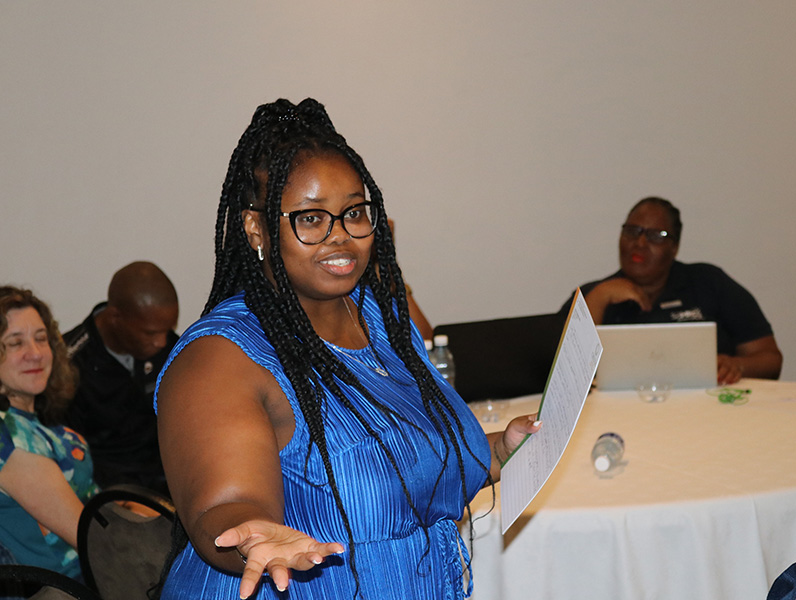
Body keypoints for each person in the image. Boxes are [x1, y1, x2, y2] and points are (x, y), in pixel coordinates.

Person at [153, 98, 540, 600]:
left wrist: (497, 451)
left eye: (353, 213)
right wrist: (253, 535)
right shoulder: (219, 359)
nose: (340, 237)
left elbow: (406, 465)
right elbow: (224, 507)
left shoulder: (380, 317)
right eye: (311, 219)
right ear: (256, 228)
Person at [561, 197, 782, 384]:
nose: (640, 243)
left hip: (706, 410)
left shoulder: (708, 282)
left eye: (656, 236)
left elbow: (770, 359)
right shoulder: (592, 295)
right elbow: (562, 378)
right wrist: (598, 299)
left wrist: (737, 365)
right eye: (632, 231)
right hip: (619, 414)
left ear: (674, 247)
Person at [0, 286, 98, 578]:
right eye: (15, 343)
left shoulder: (54, 431)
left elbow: (101, 513)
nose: (35, 354)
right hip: (58, 589)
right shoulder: (5, 436)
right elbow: (89, 537)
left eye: (41, 339)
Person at [64, 261, 178, 495]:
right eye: (150, 333)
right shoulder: (69, 367)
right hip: (106, 495)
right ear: (115, 317)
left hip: (170, 481)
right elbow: (69, 458)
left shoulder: (172, 350)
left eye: (167, 330)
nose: (161, 342)